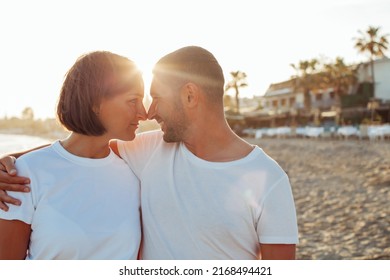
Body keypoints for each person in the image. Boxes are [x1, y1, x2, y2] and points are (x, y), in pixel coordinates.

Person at [0, 46, 299, 259]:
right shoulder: (149, 149)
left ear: (190, 96)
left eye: (155, 97)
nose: (148, 111)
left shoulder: (268, 179)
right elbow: (78, 150)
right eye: (138, 100)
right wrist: (12, 161)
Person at [0, 50, 146, 259]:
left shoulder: (136, 168)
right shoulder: (24, 174)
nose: (144, 112)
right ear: (95, 103)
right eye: (133, 100)